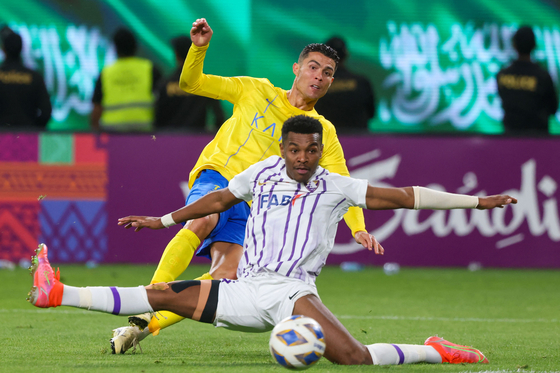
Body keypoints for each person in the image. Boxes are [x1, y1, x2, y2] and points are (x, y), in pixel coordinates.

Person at [28, 115, 517, 365]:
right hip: (244, 288)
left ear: (320, 151)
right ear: (283, 149)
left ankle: (435, 350)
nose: (303, 157)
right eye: (295, 149)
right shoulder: (261, 173)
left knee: (355, 359)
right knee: (159, 296)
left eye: (311, 149)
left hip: (292, 294)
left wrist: (477, 203)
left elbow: (407, 196)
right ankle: (56, 292)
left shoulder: (337, 186)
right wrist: (163, 220)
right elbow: (219, 199)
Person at [108, 18, 375, 352]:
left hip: (256, 206)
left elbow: (343, 182)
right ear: (296, 68)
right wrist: (198, 49)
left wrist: (358, 227)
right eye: (313, 67)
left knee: (227, 275)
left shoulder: (322, 131)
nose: (319, 76)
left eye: (327, 72)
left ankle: (146, 325)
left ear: (332, 81)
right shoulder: (255, 89)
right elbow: (192, 83)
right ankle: (149, 299)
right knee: (203, 220)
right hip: (219, 178)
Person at [90, 27, 162, 132]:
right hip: (144, 133)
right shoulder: (150, 69)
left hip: (113, 134)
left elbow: (96, 109)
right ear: (135, 47)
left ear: (115, 48)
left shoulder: (106, 73)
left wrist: (95, 135)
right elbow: (163, 103)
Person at [154, 36, 225, 132]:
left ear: (177, 55)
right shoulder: (205, 83)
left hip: (169, 140)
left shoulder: (165, 84)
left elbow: (157, 116)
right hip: (198, 141)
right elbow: (219, 116)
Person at [496, 25, 559, 134]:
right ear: (534, 45)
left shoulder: (502, 75)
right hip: (538, 141)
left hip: (510, 140)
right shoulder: (543, 77)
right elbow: (553, 109)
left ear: (514, 45)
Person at [314, 36, 375, 133]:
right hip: (360, 143)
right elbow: (372, 114)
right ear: (346, 54)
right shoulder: (362, 82)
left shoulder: (316, 86)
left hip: (327, 144)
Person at [0, 27, 51, 129]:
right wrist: (34, 130)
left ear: (4, 49)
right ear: (21, 49)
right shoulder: (35, 77)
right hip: (27, 139)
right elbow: (46, 112)